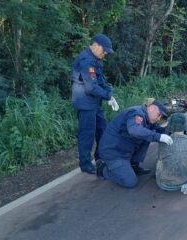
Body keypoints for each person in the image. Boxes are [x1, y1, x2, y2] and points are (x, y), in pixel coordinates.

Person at [96, 99, 173, 188]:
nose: (159, 118)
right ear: (152, 108)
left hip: (123, 149)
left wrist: (169, 130)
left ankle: (133, 165)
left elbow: (157, 130)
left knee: (148, 134)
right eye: (159, 115)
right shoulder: (136, 113)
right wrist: (159, 137)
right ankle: (102, 169)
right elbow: (134, 130)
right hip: (113, 152)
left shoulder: (147, 118)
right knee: (130, 182)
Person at [71, 34, 119, 174]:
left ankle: (100, 158)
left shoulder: (95, 59)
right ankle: (85, 164)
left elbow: (100, 80)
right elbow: (91, 87)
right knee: (87, 134)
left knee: (103, 129)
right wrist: (107, 96)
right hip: (85, 103)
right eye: (104, 50)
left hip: (94, 102)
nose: (105, 53)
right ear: (96, 45)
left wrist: (110, 93)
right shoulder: (86, 61)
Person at [155, 113, 187, 191]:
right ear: (184, 125)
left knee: (160, 160)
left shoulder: (163, 142)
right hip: (186, 182)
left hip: (164, 185)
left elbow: (160, 157)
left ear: (171, 124)